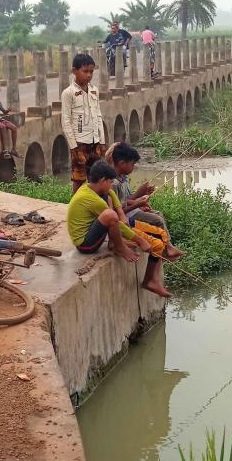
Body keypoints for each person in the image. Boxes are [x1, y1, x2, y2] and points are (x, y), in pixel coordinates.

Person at [67, 160, 173, 297]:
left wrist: (121, 212)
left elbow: (110, 194)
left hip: (93, 232)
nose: (111, 185)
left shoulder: (89, 188)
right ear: (103, 180)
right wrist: (140, 240)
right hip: (85, 244)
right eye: (110, 182)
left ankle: (118, 245)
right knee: (110, 215)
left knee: (110, 202)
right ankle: (119, 246)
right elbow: (115, 222)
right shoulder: (92, 199)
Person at [107, 142, 186, 260]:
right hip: (124, 218)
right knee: (157, 220)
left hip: (129, 212)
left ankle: (168, 247)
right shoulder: (113, 183)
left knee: (158, 214)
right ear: (122, 163)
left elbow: (125, 201)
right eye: (132, 164)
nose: (134, 167)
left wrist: (141, 194)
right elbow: (116, 212)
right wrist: (137, 204)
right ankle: (165, 250)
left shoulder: (122, 178)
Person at [61, 53, 105, 193]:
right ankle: (75, 210)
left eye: (91, 72)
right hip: (79, 142)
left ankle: (90, 208)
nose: (89, 75)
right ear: (74, 71)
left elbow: (98, 115)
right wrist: (74, 147)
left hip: (95, 141)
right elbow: (66, 121)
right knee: (78, 179)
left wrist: (102, 141)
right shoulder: (69, 93)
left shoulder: (94, 90)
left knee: (96, 179)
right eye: (85, 71)